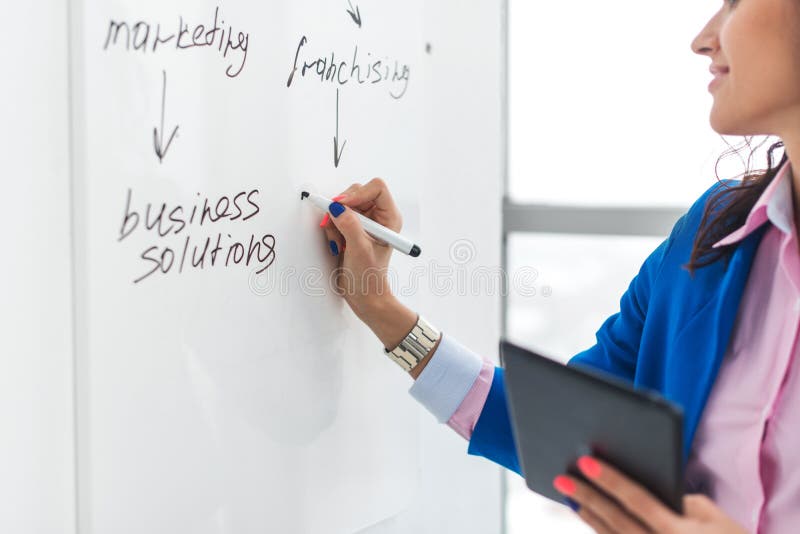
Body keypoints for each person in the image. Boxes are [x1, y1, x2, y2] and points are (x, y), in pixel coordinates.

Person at [317, 0, 800, 532]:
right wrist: (381, 309)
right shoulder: (711, 238)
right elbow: (562, 435)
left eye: (735, 2)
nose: (704, 38)